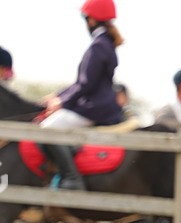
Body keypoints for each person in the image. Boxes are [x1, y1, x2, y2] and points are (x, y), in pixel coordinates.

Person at [39, 0, 124, 190]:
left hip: (92, 108)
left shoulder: (97, 46)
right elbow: (82, 82)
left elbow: (85, 84)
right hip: (98, 105)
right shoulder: (106, 43)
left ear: (91, 20)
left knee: (45, 130)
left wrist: (61, 102)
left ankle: (71, 177)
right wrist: (56, 96)